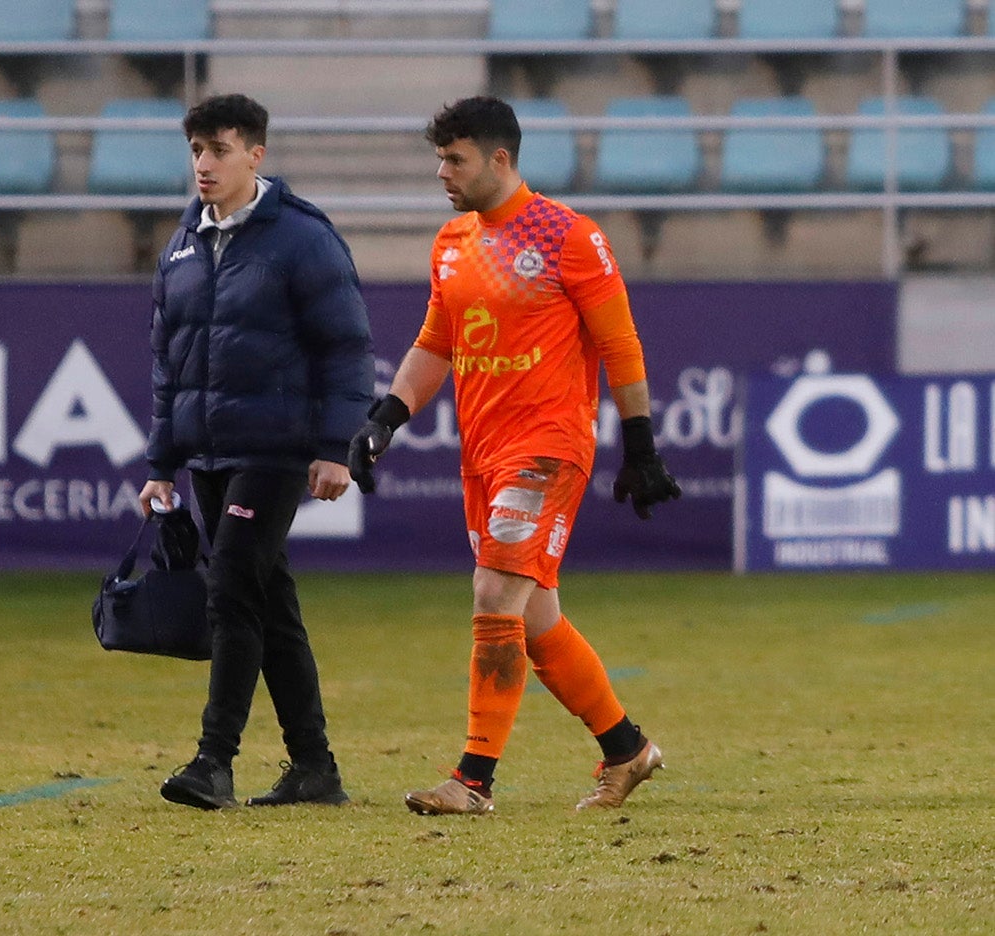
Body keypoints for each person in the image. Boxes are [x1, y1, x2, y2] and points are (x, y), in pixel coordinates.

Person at [349, 97, 681, 815]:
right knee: (535, 620)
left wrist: (641, 445)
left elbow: (620, 344)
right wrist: (385, 418)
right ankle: (626, 749)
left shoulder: (567, 235)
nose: (443, 172)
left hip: (548, 448)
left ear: (500, 160)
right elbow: (436, 343)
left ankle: (473, 780)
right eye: (439, 159)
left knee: (495, 595)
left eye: (455, 160)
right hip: (485, 452)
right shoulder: (452, 241)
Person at [140, 93, 374, 810]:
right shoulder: (182, 241)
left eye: (218, 150)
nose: (203, 165)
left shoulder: (302, 238)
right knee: (269, 604)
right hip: (211, 451)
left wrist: (337, 447)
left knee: (232, 587)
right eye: (195, 151)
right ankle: (314, 767)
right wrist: (160, 463)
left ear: (256, 155)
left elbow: (346, 345)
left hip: (274, 449)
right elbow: (169, 361)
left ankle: (215, 760)